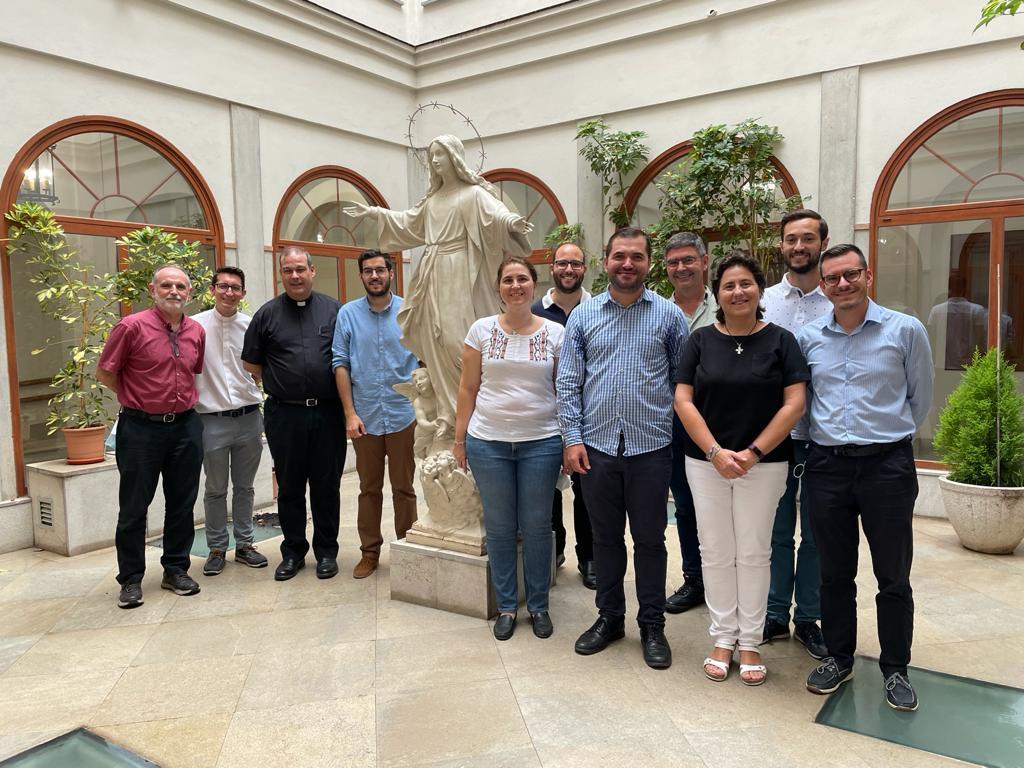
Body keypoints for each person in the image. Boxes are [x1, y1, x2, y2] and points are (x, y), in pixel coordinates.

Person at [799, 244, 933, 712]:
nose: (842, 284)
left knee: (892, 573)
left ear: (867, 275)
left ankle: (896, 667)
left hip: (887, 467)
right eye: (832, 278)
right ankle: (839, 656)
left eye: (850, 275)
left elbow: (919, 399)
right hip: (827, 466)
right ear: (822, 286)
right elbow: (803, 404)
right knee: (834, 572)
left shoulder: (905, 330)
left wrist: (886, 440)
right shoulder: (808, 336)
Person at [675, 252, 809, 686]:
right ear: (717, 293)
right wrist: (715, 452)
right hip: (705, 463)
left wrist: (751, 452)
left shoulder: (782, 341)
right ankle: (722, 637)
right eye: (729, 285)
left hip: (765, 464)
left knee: (753, 551)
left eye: (746, 284)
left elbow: (795, 403)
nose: (738, 292)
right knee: (715, 550)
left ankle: (749, 640)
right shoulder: (699, 341)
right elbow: (683, 400)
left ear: (760, 289)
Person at [558, 227, 688, 670]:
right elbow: (568, 381)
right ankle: (610, 617)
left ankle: (652, 624)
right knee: (606, 539)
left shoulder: (670, 316)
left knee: (651, 541)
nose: (627, 264)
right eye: (619, 256)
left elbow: (682, 383)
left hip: (651, 448)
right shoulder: (584, 315)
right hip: (596, 448)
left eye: (636, 256)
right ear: (606, 261)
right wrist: (572, 438)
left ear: (648, 262)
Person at [344, 134, 532, 437]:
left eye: (440, 155)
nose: (434, 161)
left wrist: (511, 223)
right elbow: (408, 224)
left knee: (461, 340)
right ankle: (448, 412)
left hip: (461, 271)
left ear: (454, 158)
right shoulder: (433, 201)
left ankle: (477, 412)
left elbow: (496, 215)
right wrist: (375, 214)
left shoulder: (472, 194)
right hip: (433, 274)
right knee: (439, 342)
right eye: (431, 155)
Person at [455, 255, 564, 640]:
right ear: (498, 287)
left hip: (542, 442)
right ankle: (505, 606)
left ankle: (538, 605)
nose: (515, 286)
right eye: (507, 280)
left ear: (534, 285)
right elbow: (468, 388)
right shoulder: (480, 331)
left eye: (522, 279)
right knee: (500, 529)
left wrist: (568, 440)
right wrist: (459, 439)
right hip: (488, 442)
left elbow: (562, 390)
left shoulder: (555, 333)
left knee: (537, 527)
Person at [97, 264, 205, 608]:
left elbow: (193, 372)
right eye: (167, 285)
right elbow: (105, 373)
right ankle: (130, 579)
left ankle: (175, 569)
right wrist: (137, 398)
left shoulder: (196, 331)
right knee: (133, 508)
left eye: (180, 287)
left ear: (189, 293)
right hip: (140, 429)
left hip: (186, 427)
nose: (174, 291)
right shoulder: (131, 327)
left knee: (182, 503)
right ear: (152, 289)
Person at [242, 246, 346, 582]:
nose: (295, 276)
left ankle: (327, 553)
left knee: (326, 486)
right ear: (281, 274)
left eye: (301, 269)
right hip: (284, 415)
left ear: (312, 271)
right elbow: (251, 364)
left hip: (328, 413)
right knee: (288, 487)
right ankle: (293, 553)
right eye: (288, 270)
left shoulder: (334, 311)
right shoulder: (266, 314)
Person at [760, 209, 833, 658]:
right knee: (775, 530)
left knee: (819, 534)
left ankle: (808, 617)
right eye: (791, 239)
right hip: (773, 437)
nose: (799, 246)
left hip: (825, 437)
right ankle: (773, 613)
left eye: (808, 238)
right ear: (781, 246)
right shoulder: (764, 300)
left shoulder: (840, 299)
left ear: (822, 243)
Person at [333, 249, 419, 579]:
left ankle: (407, 550)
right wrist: (349, 413)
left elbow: (423, 357)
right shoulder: (348, 315)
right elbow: (340, 363)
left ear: (391, 273)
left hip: (403, 414)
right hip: (365, 415)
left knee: (404, 487)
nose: (374, 276)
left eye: (380, 270)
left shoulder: (408, 311)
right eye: (368, 271)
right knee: (369, 488)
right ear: (361, 276)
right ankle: (370, 552)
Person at [193, 266, 268, 575]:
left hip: (249, 417)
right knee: (215, 488)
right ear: (212, 289)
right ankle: (216, 548)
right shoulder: (194, 326)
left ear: (243, 294)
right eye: (223, 286)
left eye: (235, 288)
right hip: (210, 420)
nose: (229, 292)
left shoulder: (251, 326)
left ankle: (246, 544)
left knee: (245, 487)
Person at [531, 242, 596, 589]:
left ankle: (589, 557)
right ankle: (554, 552)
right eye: (562, 263)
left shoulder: (600, 309)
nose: (568, 269)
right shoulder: (534, 312)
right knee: (547, 491)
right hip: (543, 417)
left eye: (575, 264)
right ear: (551, 267)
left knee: (587, 492)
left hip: (589, 419)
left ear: (585, 269)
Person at [663, 232, 717, 616]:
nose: (681, 268)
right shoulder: (658, 311)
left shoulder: (730, 305)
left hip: (725, 423)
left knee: (729, 507)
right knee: (685, 506)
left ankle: (728, 581)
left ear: (704, 261)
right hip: (674, 427)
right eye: (673, 263)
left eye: (688, 260)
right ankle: (695, 579)